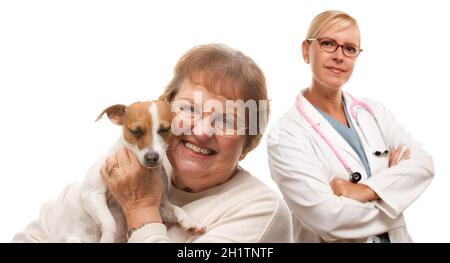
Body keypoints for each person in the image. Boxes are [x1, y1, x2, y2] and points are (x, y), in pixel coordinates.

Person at [13, 44, 293, 243]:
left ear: (248, 142)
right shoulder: (127, 168)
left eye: (227, 121)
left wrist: (141, 209)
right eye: (190, 109)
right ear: (166, 112)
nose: (203, 131)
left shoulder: (261, 210)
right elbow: (38, 234)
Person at [267, 10, 434, 243]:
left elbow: (424, 165)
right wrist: (395, 200)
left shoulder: (374, 113)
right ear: (306, 50)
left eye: (350, 48)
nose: (339, 56)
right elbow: (329, 219)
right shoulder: (285, 135)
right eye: (328, 44)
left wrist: (366, 190)